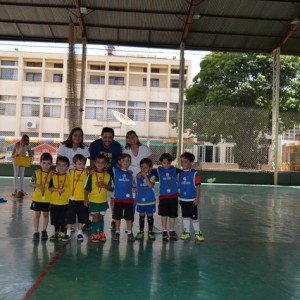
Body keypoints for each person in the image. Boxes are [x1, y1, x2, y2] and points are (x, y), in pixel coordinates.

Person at [89, 127, 122, 230]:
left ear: (113, 137)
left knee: (113, 198)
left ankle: (113, 219)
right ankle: (93, 217)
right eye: (105, 137)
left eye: (110, 137)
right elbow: (92, 160)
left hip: (111, 173)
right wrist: (92, 171)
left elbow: (118, 163)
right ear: (101, 136)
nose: (107, 139)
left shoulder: (117, 147)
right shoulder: (95, 145)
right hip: (97, 172)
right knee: (93, 193)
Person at [84, 154, 113, 243]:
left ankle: (101, 232)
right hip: (94, 201)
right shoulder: (91, 175)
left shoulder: (108, 176)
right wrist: (86, 199)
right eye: (98, 162)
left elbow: (111, 188)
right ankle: (94, 233)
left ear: (105, 164)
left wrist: (104, 185)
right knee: (95, 217)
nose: (100, 164)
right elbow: (86, 189)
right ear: (95, 163)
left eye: (102, 162)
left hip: (103, 201)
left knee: (101, 217)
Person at [152, 153, 180, 241]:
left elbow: (185, 171)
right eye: (164, 163)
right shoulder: (158, 171)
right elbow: (147, 171)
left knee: (172, 214)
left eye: (168, 163)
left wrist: (193, 167)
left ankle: (171, 230)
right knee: (163, 214)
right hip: (163, 196)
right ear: (161, 162)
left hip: (174, 196)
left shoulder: (174, 170)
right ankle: (164, 230)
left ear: (170, 163)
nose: (166, 165)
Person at [62, 154, 89, 242]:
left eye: (83, 164)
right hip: (72, 199)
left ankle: (79, 233)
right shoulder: (70, 171)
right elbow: (61, 172)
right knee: (70, 216)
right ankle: (68, 233)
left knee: (81, 217)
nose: (81, 165)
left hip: (82, 199)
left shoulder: (86, 172)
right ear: (74, 164)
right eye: (79, 163)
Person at [178, 152, 204, 242]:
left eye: (185, 161)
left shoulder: (194, 174)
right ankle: (186, 232)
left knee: (194, 217)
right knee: (185, 216)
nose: (183, 163)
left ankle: (198, 232)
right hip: (182, 199)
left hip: (192, 199)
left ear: (190, 163)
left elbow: (198, 186)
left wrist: (197, 198)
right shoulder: (180, 173)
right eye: (181, 161)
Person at [29, 152, 54, 241]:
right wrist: (38, 185)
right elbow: (30, 183)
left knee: (46, 214)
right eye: (44, 163)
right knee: (37, 215)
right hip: (37, 198)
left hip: (48, 199)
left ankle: (44, 231)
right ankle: (36, 232)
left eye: (48, 163)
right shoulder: (36, 173)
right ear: (40, 163)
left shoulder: (53, 174)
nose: (46, 166)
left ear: (51, 164)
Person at [112, 153, 135, 241]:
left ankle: (130, 232)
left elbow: (132, 185)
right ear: (119, 162)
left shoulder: (130, 174)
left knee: (129, 217)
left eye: (128, 161)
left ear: (130, 163)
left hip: (128, 200)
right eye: (123, 160)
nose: (125, 162)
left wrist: (134, 188)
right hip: (118, 199)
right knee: (117, 217)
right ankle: (117, 232)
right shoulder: (116, 170)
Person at [48, 156, 71, 241]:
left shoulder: (69, 177)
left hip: (65, 202)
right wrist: (58, 190)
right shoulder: (53, 176)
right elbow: (50, 188)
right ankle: (56, 232)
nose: (61, 167)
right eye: (59, 165)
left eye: (64, 165)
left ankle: (62, 232)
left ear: (67, 167)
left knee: (63, 218)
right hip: (54, 202)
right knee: (55, 218)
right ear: (56, 166)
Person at [135, 158, 156, 241]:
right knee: (141, 215)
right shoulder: (137, 177)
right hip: (140, 200)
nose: (144, 169)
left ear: (150, 168)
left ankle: (150, 231)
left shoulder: (152, 176)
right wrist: (134, 188)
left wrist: (145, 176)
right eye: (142, 167)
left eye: (146, 167)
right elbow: (135, 187)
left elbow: (150, 185)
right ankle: (141, 232)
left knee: (150, 215)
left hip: (150, 200)